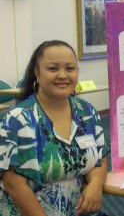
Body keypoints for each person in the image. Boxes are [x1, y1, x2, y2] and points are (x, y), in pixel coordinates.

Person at [0, 40, 109, 216]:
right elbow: (14, 185)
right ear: (37, 73)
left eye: (69, 68)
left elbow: (100, 158)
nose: (62, 75)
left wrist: (96, 184)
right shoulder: (19, 119)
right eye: (53, 69)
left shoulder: (86, 111)